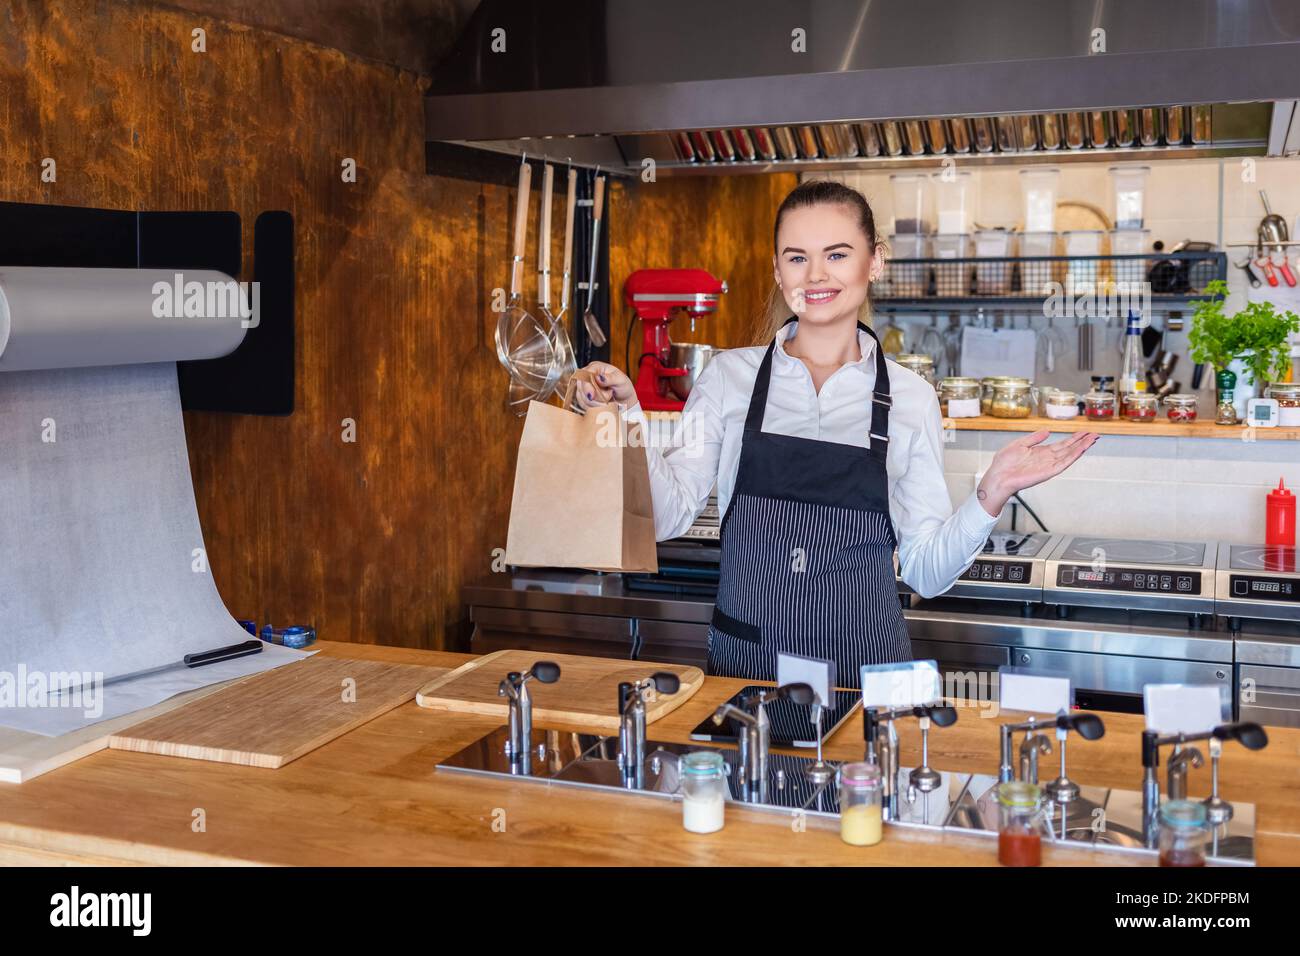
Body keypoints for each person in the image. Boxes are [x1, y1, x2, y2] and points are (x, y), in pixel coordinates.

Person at [570, 180, 1098, 681]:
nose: (815, 276)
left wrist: (992, 492)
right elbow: (665, 518)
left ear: (876, 261)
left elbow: (926, 573)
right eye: (797, 258)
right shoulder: (730, 378)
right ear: (778, 272)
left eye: (837, 254)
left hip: (865, 677)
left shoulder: (910, 397)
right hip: (748, 673)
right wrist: (628, 417)